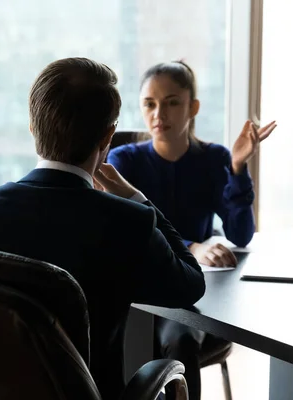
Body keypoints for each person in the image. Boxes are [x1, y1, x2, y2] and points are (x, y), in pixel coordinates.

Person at [0, 58, 205, 400]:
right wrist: (139, 200)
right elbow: (190, 284)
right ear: (107, 137)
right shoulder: (127, 221)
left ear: (33, 128)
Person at [107, 60, 276, 400]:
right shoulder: (124, 160)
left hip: (191, 297)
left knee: (182, 335)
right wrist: (192, 245)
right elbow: (123, 232)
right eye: (149, 104)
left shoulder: (213, 159)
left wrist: (238, 168)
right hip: (136, 293)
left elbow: (241, 234)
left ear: (192, 107)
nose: (159, 114)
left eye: (172, 102)